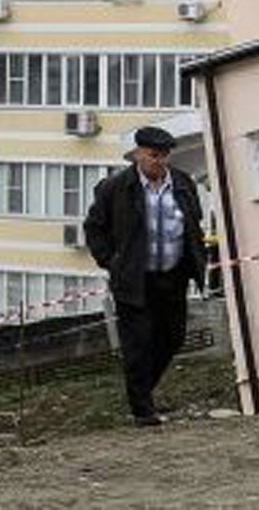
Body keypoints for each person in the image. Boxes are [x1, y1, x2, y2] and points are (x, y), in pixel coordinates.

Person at [82, 124, 208, 425]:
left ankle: (141, 390)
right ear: (138, 154)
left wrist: (196, 257)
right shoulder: (115, 188)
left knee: (173, 338)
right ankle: (143, 411)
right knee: (137, 344)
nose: (159, 162)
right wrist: (111, 262)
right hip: (134, 279)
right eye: (153, 155)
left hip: (173, 275)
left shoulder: (182, 183)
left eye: (164, 156)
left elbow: (194, 221)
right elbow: (94, 228)